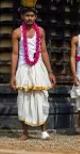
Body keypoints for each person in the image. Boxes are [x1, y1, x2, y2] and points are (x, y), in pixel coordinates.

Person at [10, 7, 56, 141]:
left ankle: (44, 132)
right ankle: (25, 132)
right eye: (27, 15)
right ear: (22, 16)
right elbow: (14, 54)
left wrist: (50, 72)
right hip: (24, 67)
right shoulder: (17, 33)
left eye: (32, 15)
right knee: (24, 98)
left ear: (36, 17)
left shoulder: (40, 31)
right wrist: (12, 75)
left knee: (41, 98)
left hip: (38, 67)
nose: (30, 18)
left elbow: (44, 52)